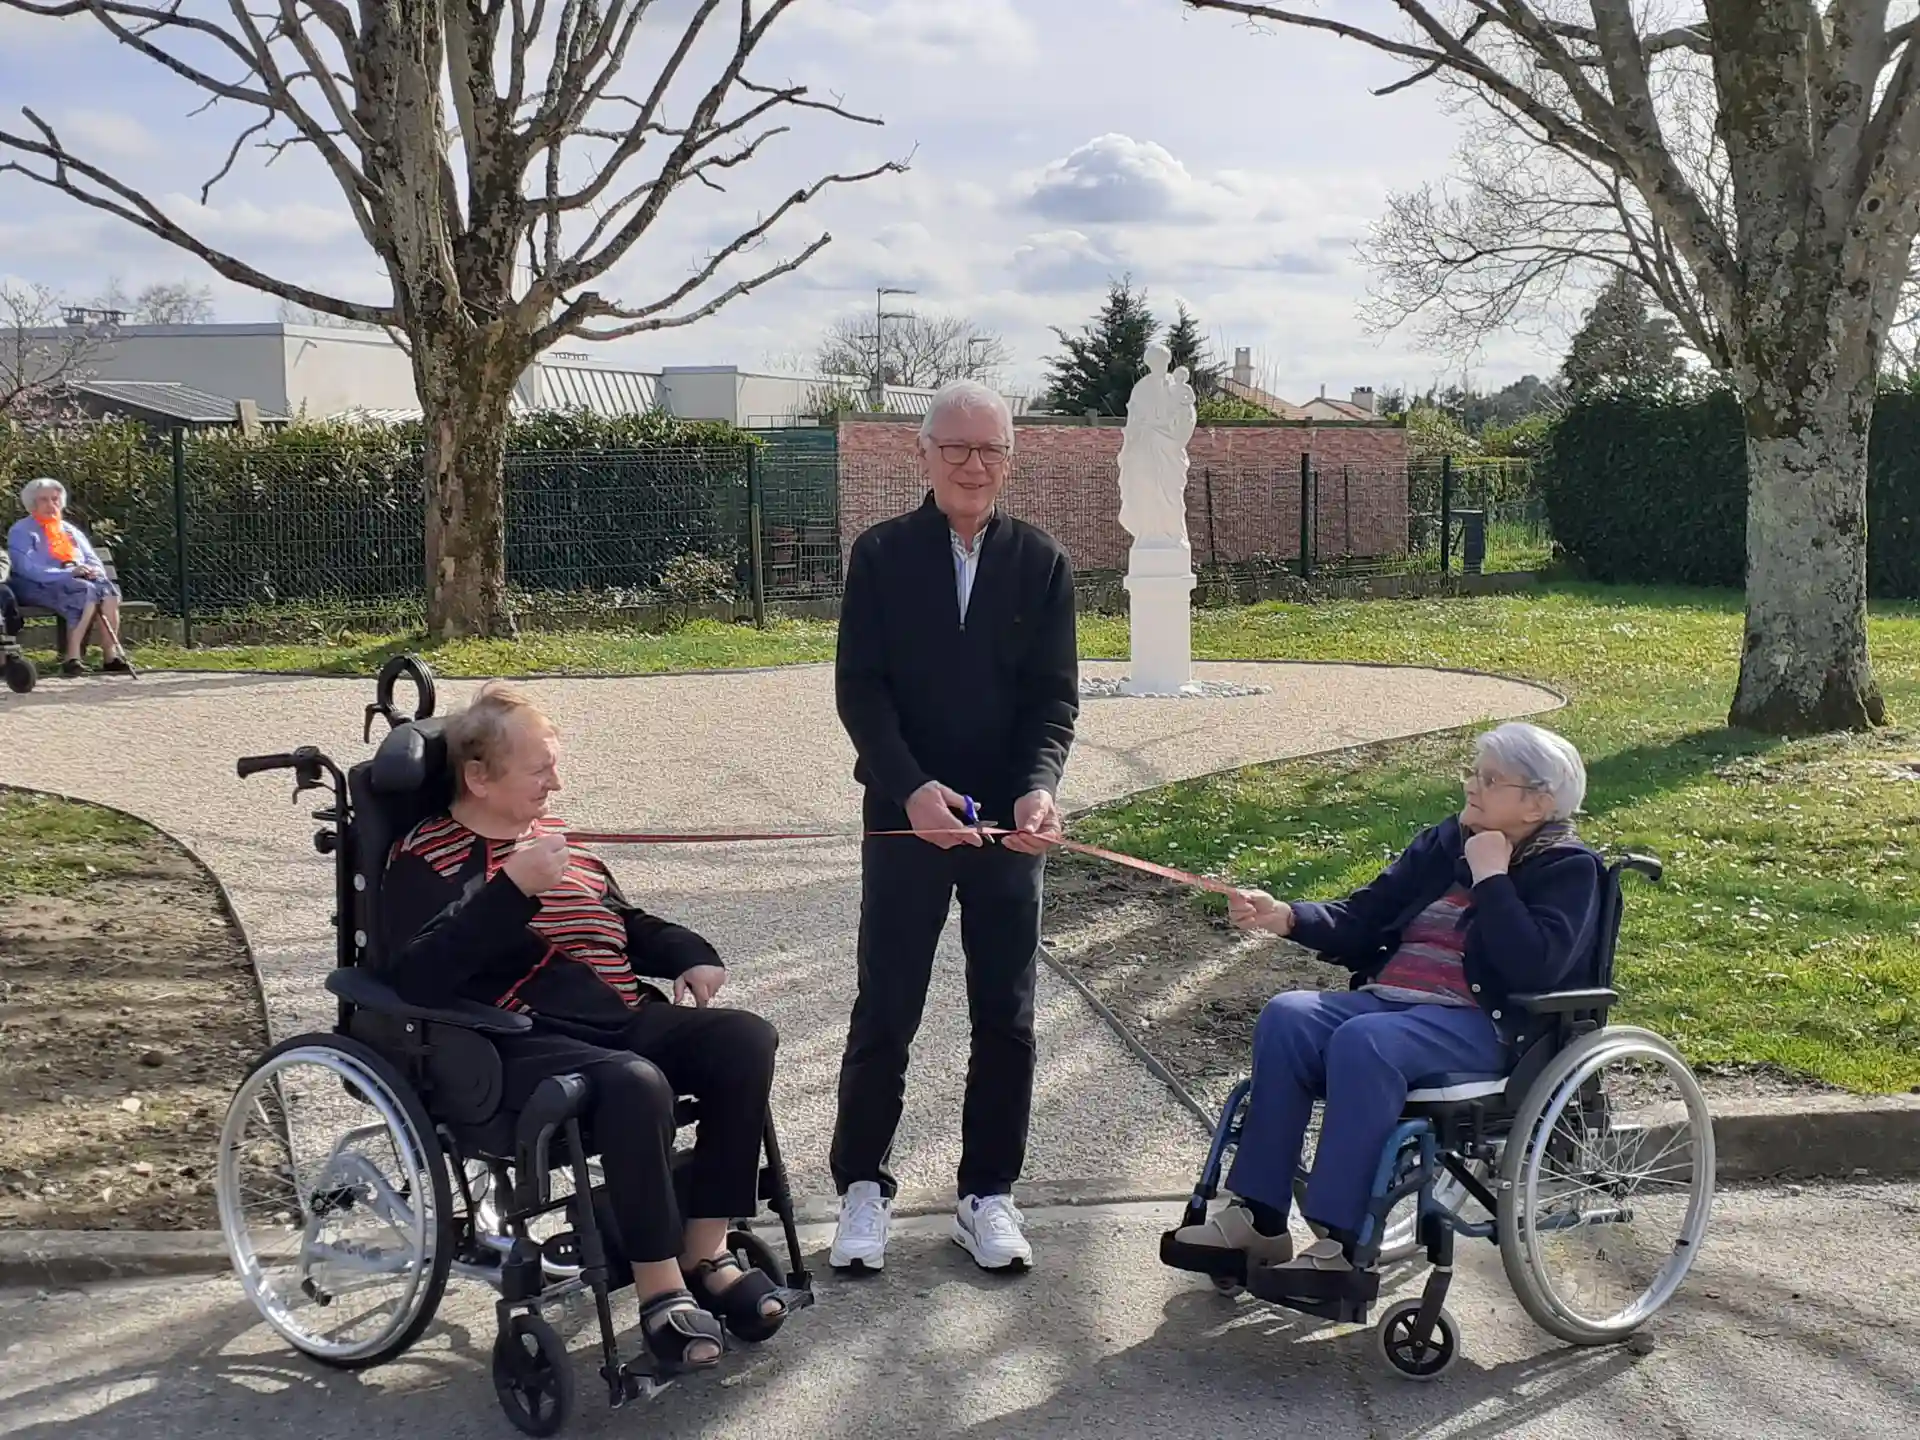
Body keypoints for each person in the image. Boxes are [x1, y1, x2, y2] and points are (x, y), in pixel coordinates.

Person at [379, 682, 787, 1372]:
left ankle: (706, 1249)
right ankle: (660, 1293)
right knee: (634, 1083)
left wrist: (691, 954)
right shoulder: (427, 857)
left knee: (743, 1039)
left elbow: (622, 924)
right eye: (540, 771)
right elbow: (415, 977)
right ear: (478, 777)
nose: (557, 784)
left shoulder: (556, 844)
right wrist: (512, 889)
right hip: (515, 1037)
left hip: (615, 1015)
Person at [1173, 721, 1604, 1276]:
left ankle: (1344, 1242)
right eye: (1474, 772)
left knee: (1365, 1041)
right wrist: (1286, 915)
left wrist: (1493, 877)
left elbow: (1535, 966)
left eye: (1491, 778)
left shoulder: (1568, 868)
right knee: (1288, 1016)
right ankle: (1258, 1221)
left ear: (1537, 803)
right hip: (1392, 1007)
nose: (1472, 785)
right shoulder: (1444, 843)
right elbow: (1364, 916)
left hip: (1482, 1028)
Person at [827, 378, 1079, 1275]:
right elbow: (861, 689)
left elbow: (1054, 700)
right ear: (923, 454)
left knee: (1005, 1015)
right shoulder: (883, 554)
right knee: (886, 1006)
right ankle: (862, 1186)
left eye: (992, 450)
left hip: (1009, 827)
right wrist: (911, 792)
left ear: (1012, 456)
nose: (975, 466)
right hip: (907, 819)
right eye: (957, 449)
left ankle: (988, 1194)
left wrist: (1039, 789)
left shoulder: (1043, 562)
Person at [6, 478, 130, 678]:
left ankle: (111, 656)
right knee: (84, 591)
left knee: (109, 592)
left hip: (75, 581)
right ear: (32, 504)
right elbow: (26, 567)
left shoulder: (69, 530)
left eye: (55, 499)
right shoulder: (22, 530)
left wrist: (93, 571)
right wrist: (67, 573)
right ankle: (72, 658)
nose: (51, 505)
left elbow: (92, 558)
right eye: (44, 500)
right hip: (35, 585)